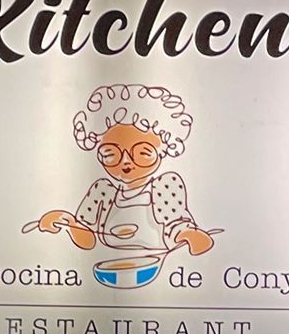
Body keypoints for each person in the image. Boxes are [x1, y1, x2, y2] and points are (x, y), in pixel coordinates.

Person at [37, 83, 214, 258]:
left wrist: (189, 236)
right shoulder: (102, 191)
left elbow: (175, 225)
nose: (126, 162)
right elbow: (88, 238)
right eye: (111, 154)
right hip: (107, 269)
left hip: (159, 265)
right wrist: (67, 222)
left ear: (163, 149)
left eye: (143, 153)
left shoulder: (164, 186)